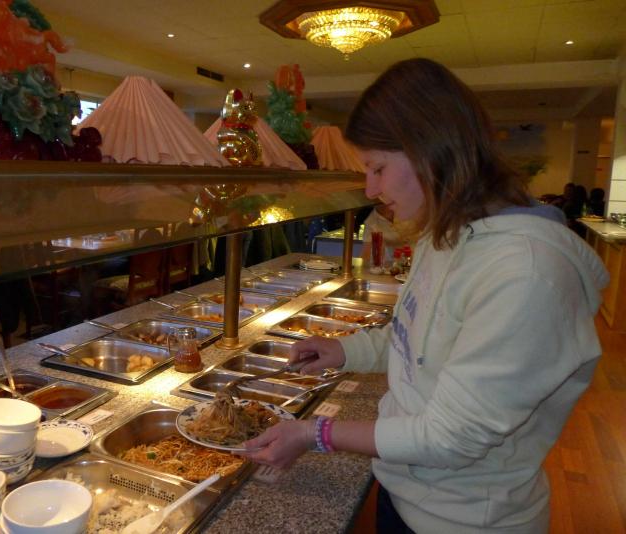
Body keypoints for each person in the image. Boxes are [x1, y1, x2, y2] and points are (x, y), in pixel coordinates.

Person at [241, 58, 608, 533]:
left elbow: (451, 437)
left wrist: (316, 432)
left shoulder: (527, 274)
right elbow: (414, 336)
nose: (370, 188)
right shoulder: (447, 233)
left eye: (377, 168)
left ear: (430, 151)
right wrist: (344, 350)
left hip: (466, 521)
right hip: (405, 490)